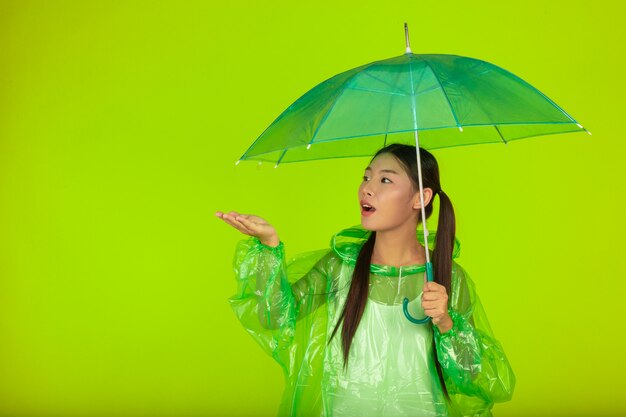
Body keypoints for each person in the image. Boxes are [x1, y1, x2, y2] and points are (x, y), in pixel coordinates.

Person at [216, 143, 515, 417]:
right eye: (366, 177)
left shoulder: (447, 278)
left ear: (420, 197)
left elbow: (479, 376)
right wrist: (269, 246)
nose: (366, 189)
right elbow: (275, 318)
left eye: (385, 180)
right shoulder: (339, 267)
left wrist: (446, 324)